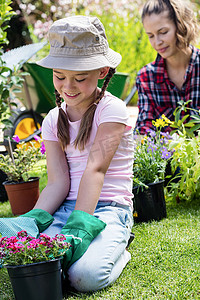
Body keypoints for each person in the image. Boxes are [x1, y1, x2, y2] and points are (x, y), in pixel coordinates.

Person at [0, 16, 134, 292]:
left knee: (83, 277)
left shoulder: (112, 111)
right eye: (59, 76)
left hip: (109, 209)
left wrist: (79, 228)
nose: (68, 87)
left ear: (102, 71)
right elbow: (58, 182)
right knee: (37, 259)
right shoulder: (52, 120)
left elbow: (95, 169)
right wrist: (33, 219)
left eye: (80, 78)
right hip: (65, 210)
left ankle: (121, 249)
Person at [135, 0, 200, 134]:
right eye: (151, 36)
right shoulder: (146, 78)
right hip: (165, 154)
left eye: (163, 32)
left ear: (182, 25)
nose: (157, 42)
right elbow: (144, 129)